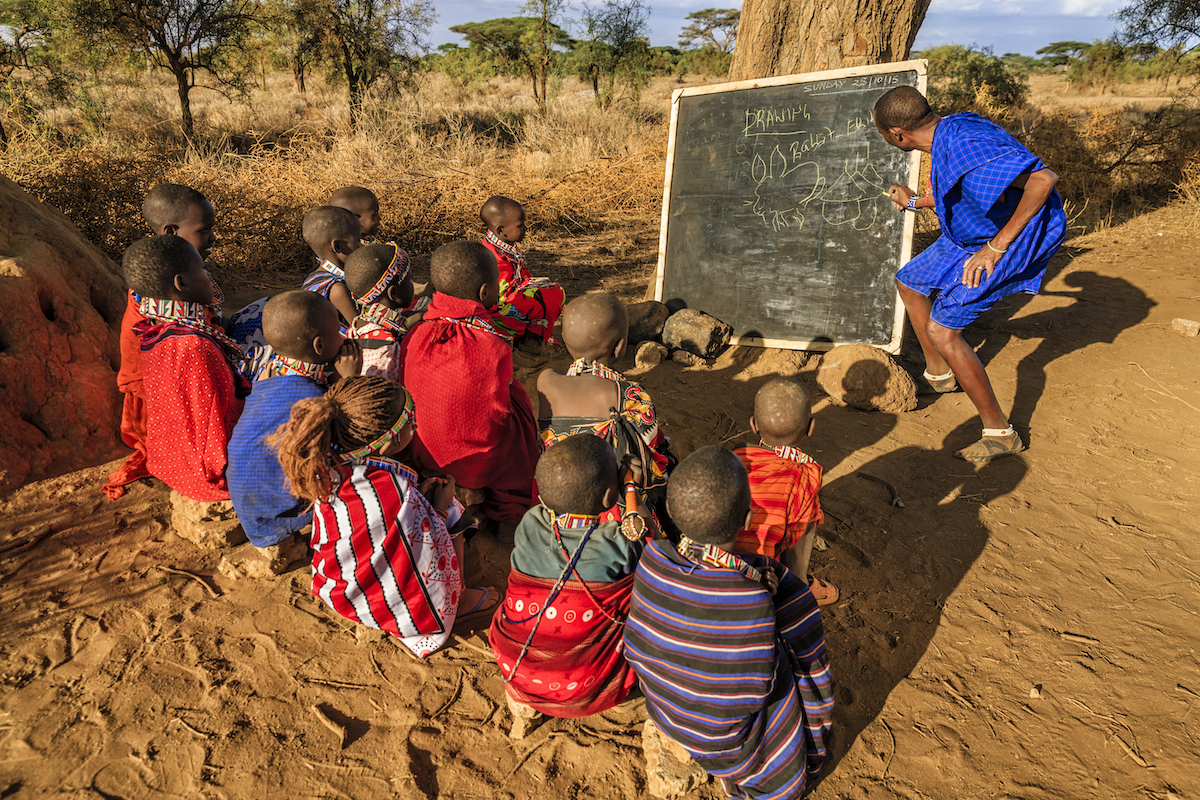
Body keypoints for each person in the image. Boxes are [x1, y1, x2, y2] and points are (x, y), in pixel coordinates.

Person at [623, 446, 834, 800]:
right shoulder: (753, 596)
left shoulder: (653, 558)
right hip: (727, 739)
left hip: (668, 713)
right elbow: (764, 683)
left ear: (672, 511)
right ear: (749, 518)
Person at [875, 85, 1066, 462]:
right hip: (972, 234)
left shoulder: (963, 142)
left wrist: (995, 249)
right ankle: (940, 375)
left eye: (884, 135)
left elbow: (1044, 180)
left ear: (898, 134)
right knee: (910, 282)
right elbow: (967, 186)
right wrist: (915, 201)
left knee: (942, 330)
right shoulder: (947, 132)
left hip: (1012, 235)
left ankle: (1000, 433)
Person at [271, 376, 498, 658]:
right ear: (391, 439)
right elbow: (426, 542)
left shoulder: (330, 466)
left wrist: (418, 503)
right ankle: (456, 601)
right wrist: (437, 509)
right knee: (453, 514)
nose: (415, 426)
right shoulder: (395, 490)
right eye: (410, 422)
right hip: (383, 601)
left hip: (339, 587)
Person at [490, 435, 651, 730]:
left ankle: (528, 710)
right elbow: (639, 527)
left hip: (518, 667)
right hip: (584, 687)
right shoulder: (614, 543)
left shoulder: (530, 524)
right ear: (607, 497)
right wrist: (630, 488)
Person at [399, 240, 541, 523]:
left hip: (424, 454)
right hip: (476, 466)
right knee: (520, 405)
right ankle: (507, 509)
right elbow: (497, 415)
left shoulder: (416, 334)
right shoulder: (494, 346)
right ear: (484, 292)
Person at [102, 183, 224, 499]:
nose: (213, 237)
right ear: (171, 231)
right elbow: (153, 380)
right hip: (159, 406)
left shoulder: (178, 281)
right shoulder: (154, 307)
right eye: (205, 229)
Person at [226, 292, 362, 556]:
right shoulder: (313, 402)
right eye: (338, 330)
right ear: (320, 346)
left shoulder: (266, 372)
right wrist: (349, 382)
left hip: (249, 501)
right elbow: (349, 434)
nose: (344, 337)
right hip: (279, 515)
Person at [124, 235, 249, 501]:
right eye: (204, 270)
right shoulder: (194, 346)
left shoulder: (156, 329)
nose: (210, 277)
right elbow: (214, 425)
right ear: (181, 282)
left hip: (172, 464)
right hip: (209, 476)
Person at [537, 292, 676, 527]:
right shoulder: (628, 394)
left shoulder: (545, 381)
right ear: (620, 347)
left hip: (557, 491)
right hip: (608, 502)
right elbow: (649, 447)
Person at [732, 378, 836, 605]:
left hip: (716, 564)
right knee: (809, 509)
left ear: (753, 424)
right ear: (810, 428)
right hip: (766, 576)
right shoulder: (804, 474)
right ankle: (798, 585)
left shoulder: (735, 457)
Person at [479, 195, 565, 349]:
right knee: (551, 295)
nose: (525, 228)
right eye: (520, 225)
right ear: (501, 230)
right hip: (498, 310)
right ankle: (531, 341)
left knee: (546, 292)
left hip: (506, 299)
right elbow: (501, 295)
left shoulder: (500, 245)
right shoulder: (494, 258)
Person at [344, 243, 413, 383]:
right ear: (394, 293)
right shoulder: (387, 348)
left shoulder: (356, 328)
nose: (413, 284)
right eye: (410, 279)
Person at [300, 205, 361, 325]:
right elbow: (364, 331)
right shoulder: (337, 289)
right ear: (337, 246)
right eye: (358, 240)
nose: (362, 246)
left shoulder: (315, 273)